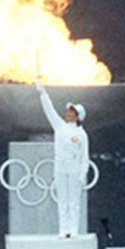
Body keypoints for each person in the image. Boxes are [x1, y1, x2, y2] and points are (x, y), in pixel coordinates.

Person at [36, 80, 90, 237]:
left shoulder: (82, 135)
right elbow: (49, 111)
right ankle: (63, 229)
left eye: (72, 112)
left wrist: (81, 176)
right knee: (62, 201)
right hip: (60, 167)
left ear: (78, 116)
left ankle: (73, 230)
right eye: (69, 111)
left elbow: (84, 157)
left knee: (74, 202)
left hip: (74, 169)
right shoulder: (59, 127)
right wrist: (43, 93)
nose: (68, 113)